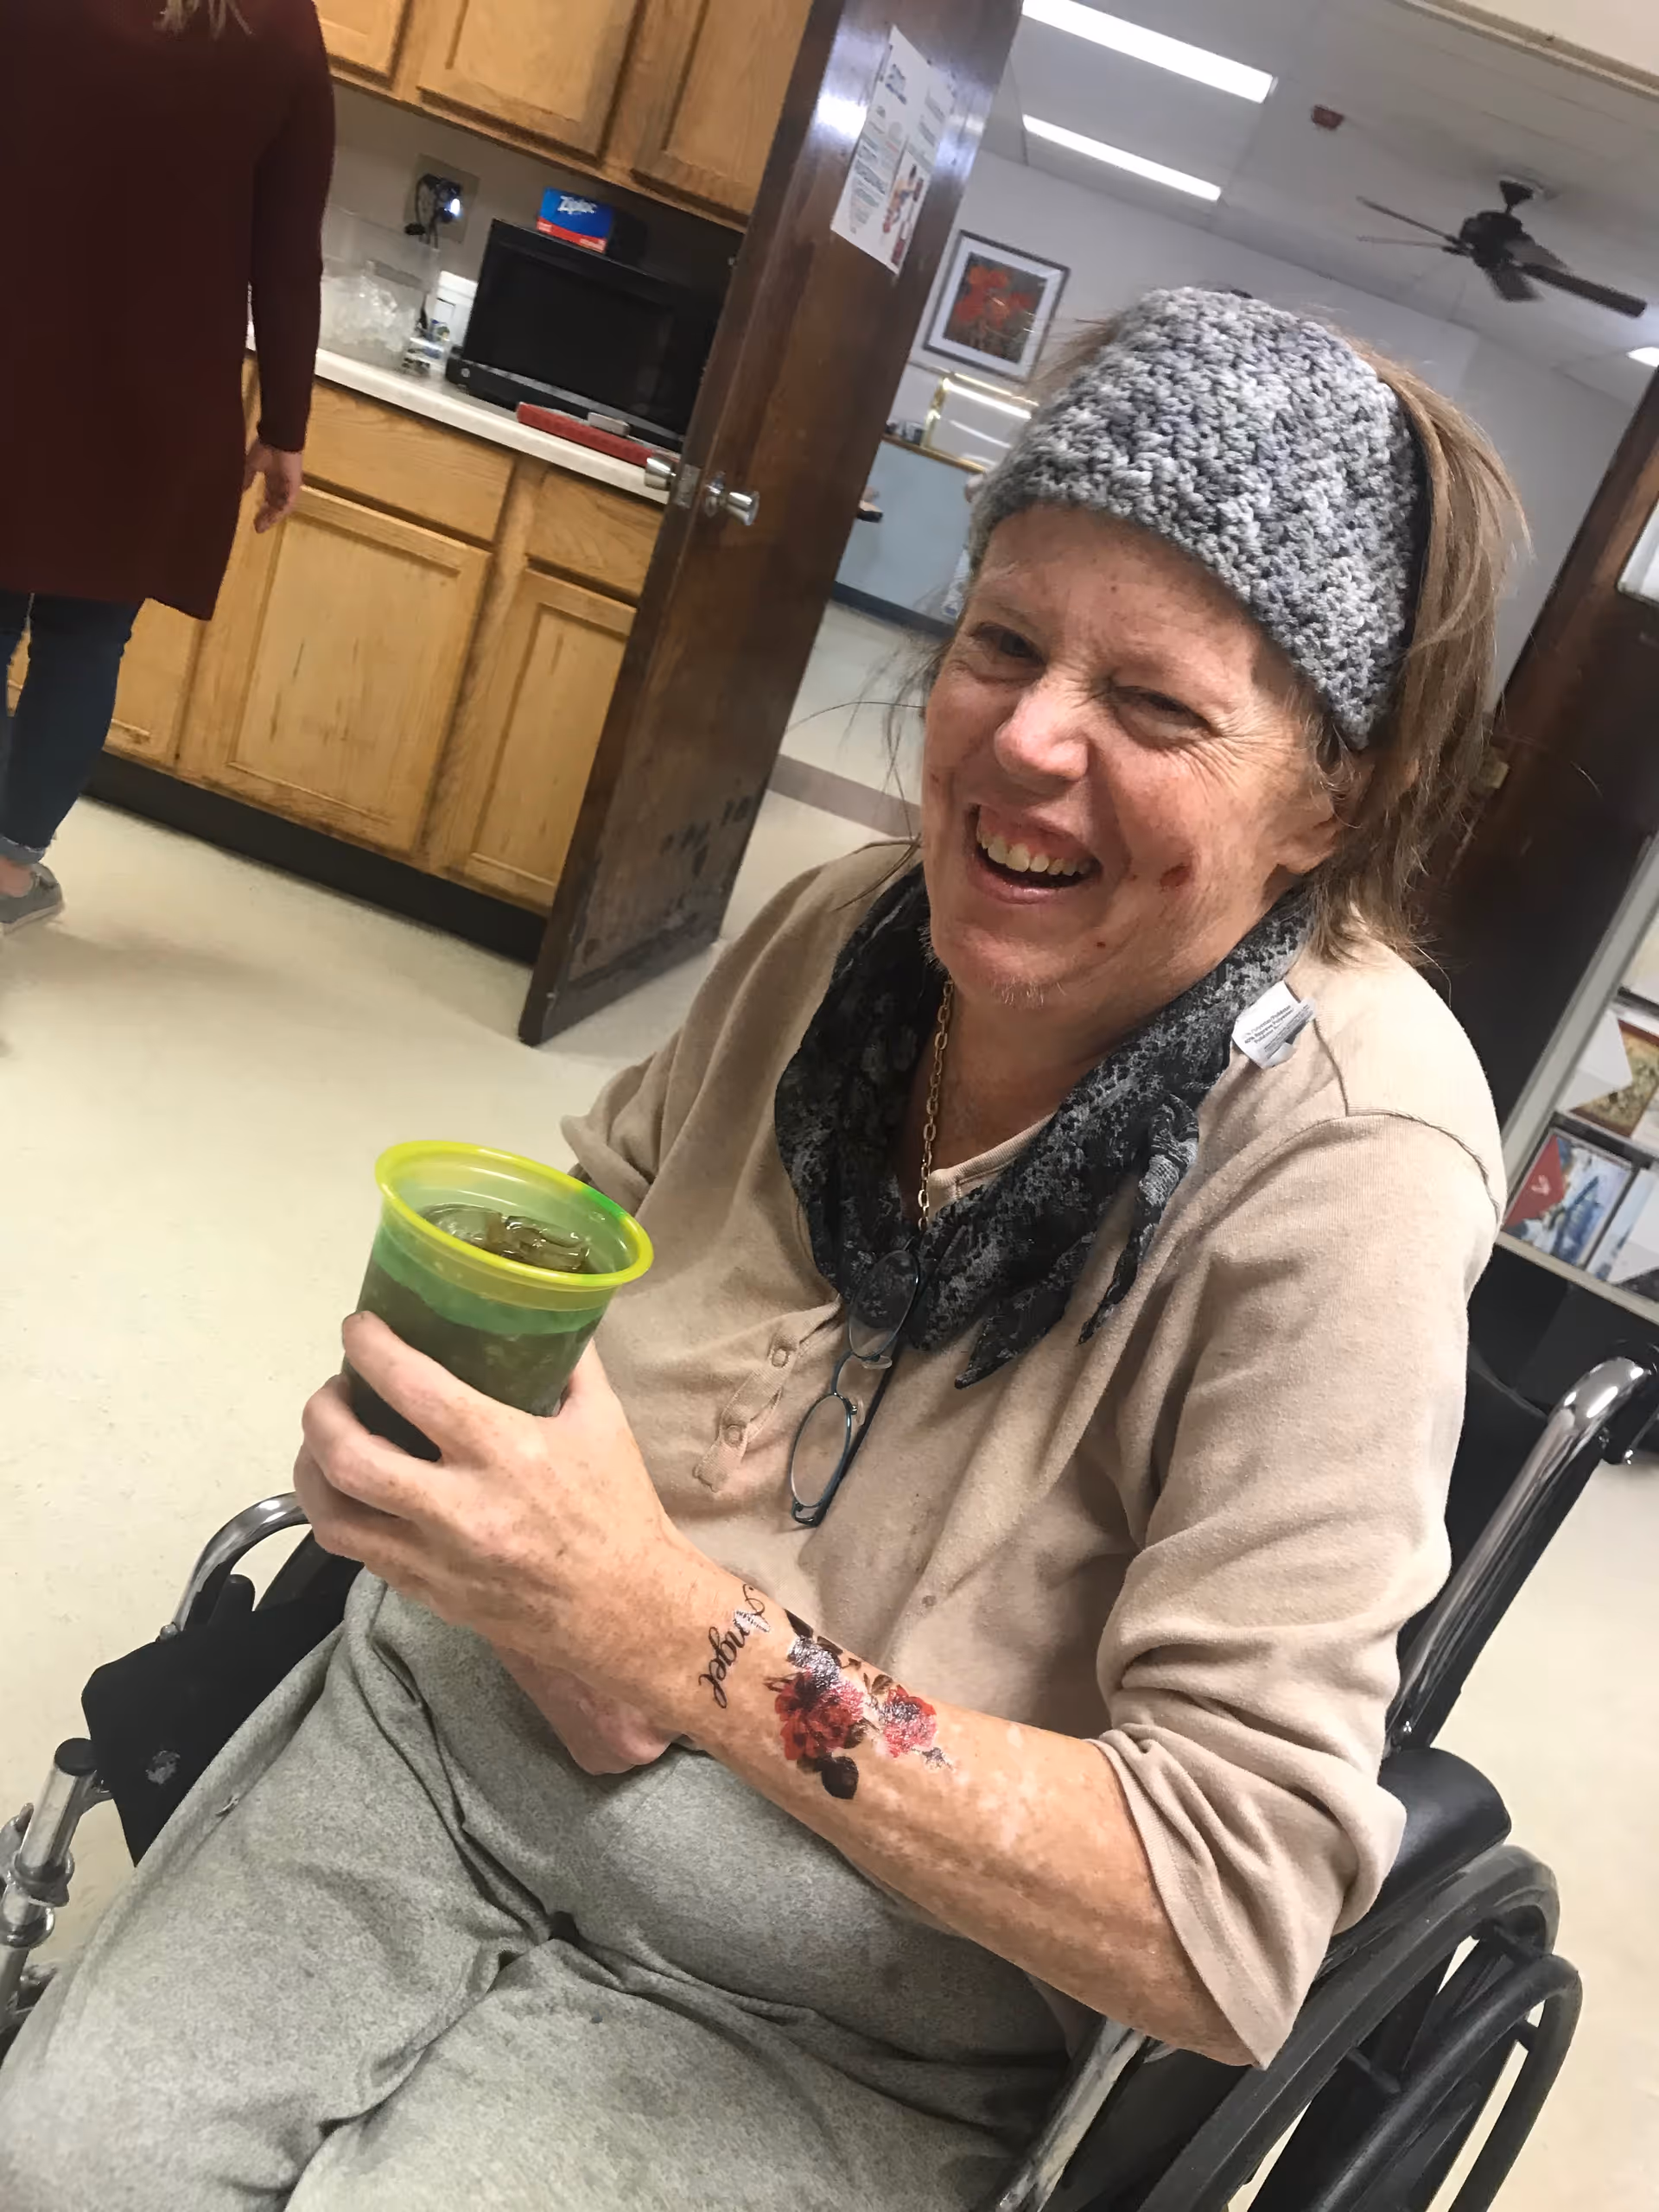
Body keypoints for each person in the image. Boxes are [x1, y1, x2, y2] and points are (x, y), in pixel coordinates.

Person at [0, 290, 1522, 2210]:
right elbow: (576, 1247)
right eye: (1001, 642)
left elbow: (1230, 1909)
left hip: (829, 1994)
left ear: (1335, 795)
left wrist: (652, 1619)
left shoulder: (1353, 1153)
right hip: (443, 1734)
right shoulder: (845, 932)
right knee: (62, 2165)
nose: (1028, 741)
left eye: (1154, 707)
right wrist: (433, 1459)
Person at [0, 0, 333, 932]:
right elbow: (288, 253)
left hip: (13, 349)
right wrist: (287, 424)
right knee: (88, 640)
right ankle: (9, 873)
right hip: (160, 392)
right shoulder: (280, 30)